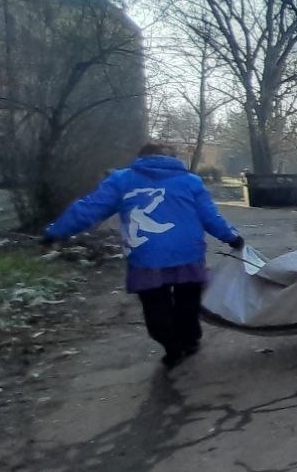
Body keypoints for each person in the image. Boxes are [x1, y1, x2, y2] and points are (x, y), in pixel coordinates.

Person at [41, 142, 244, 368]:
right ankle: (189, 340)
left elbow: (89, 209)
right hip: (187, 252)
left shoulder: (122, 180)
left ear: (141, 158)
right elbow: (211, 217)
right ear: (174, 159)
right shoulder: (190, 182)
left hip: (146, 254)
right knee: (188, 300)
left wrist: (55, 232)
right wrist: (232, 237)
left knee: (155, 303)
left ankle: (171, 345)